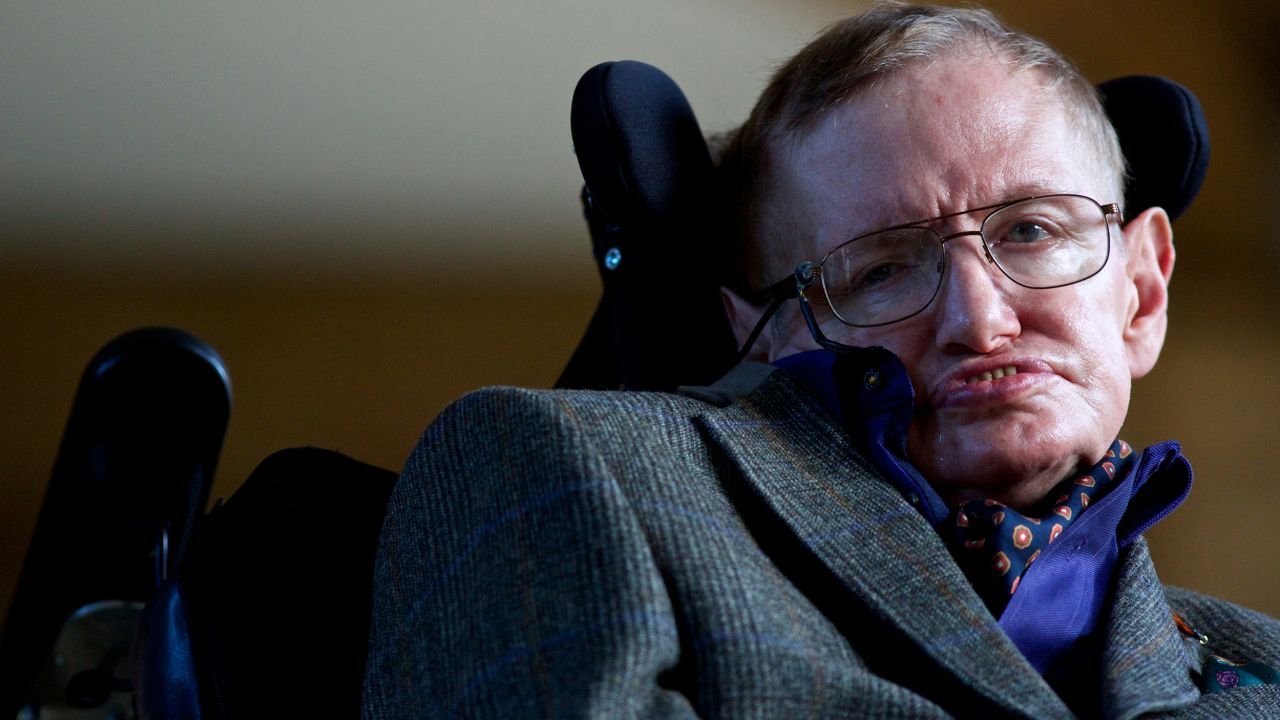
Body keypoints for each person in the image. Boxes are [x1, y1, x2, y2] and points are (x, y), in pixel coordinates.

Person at [363, 3, 1280, 717]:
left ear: (1144, 293)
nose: (977, 318)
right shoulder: (562, 462)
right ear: (760, 328)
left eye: (1033, 230)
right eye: (881, 269)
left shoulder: (1265, 664)